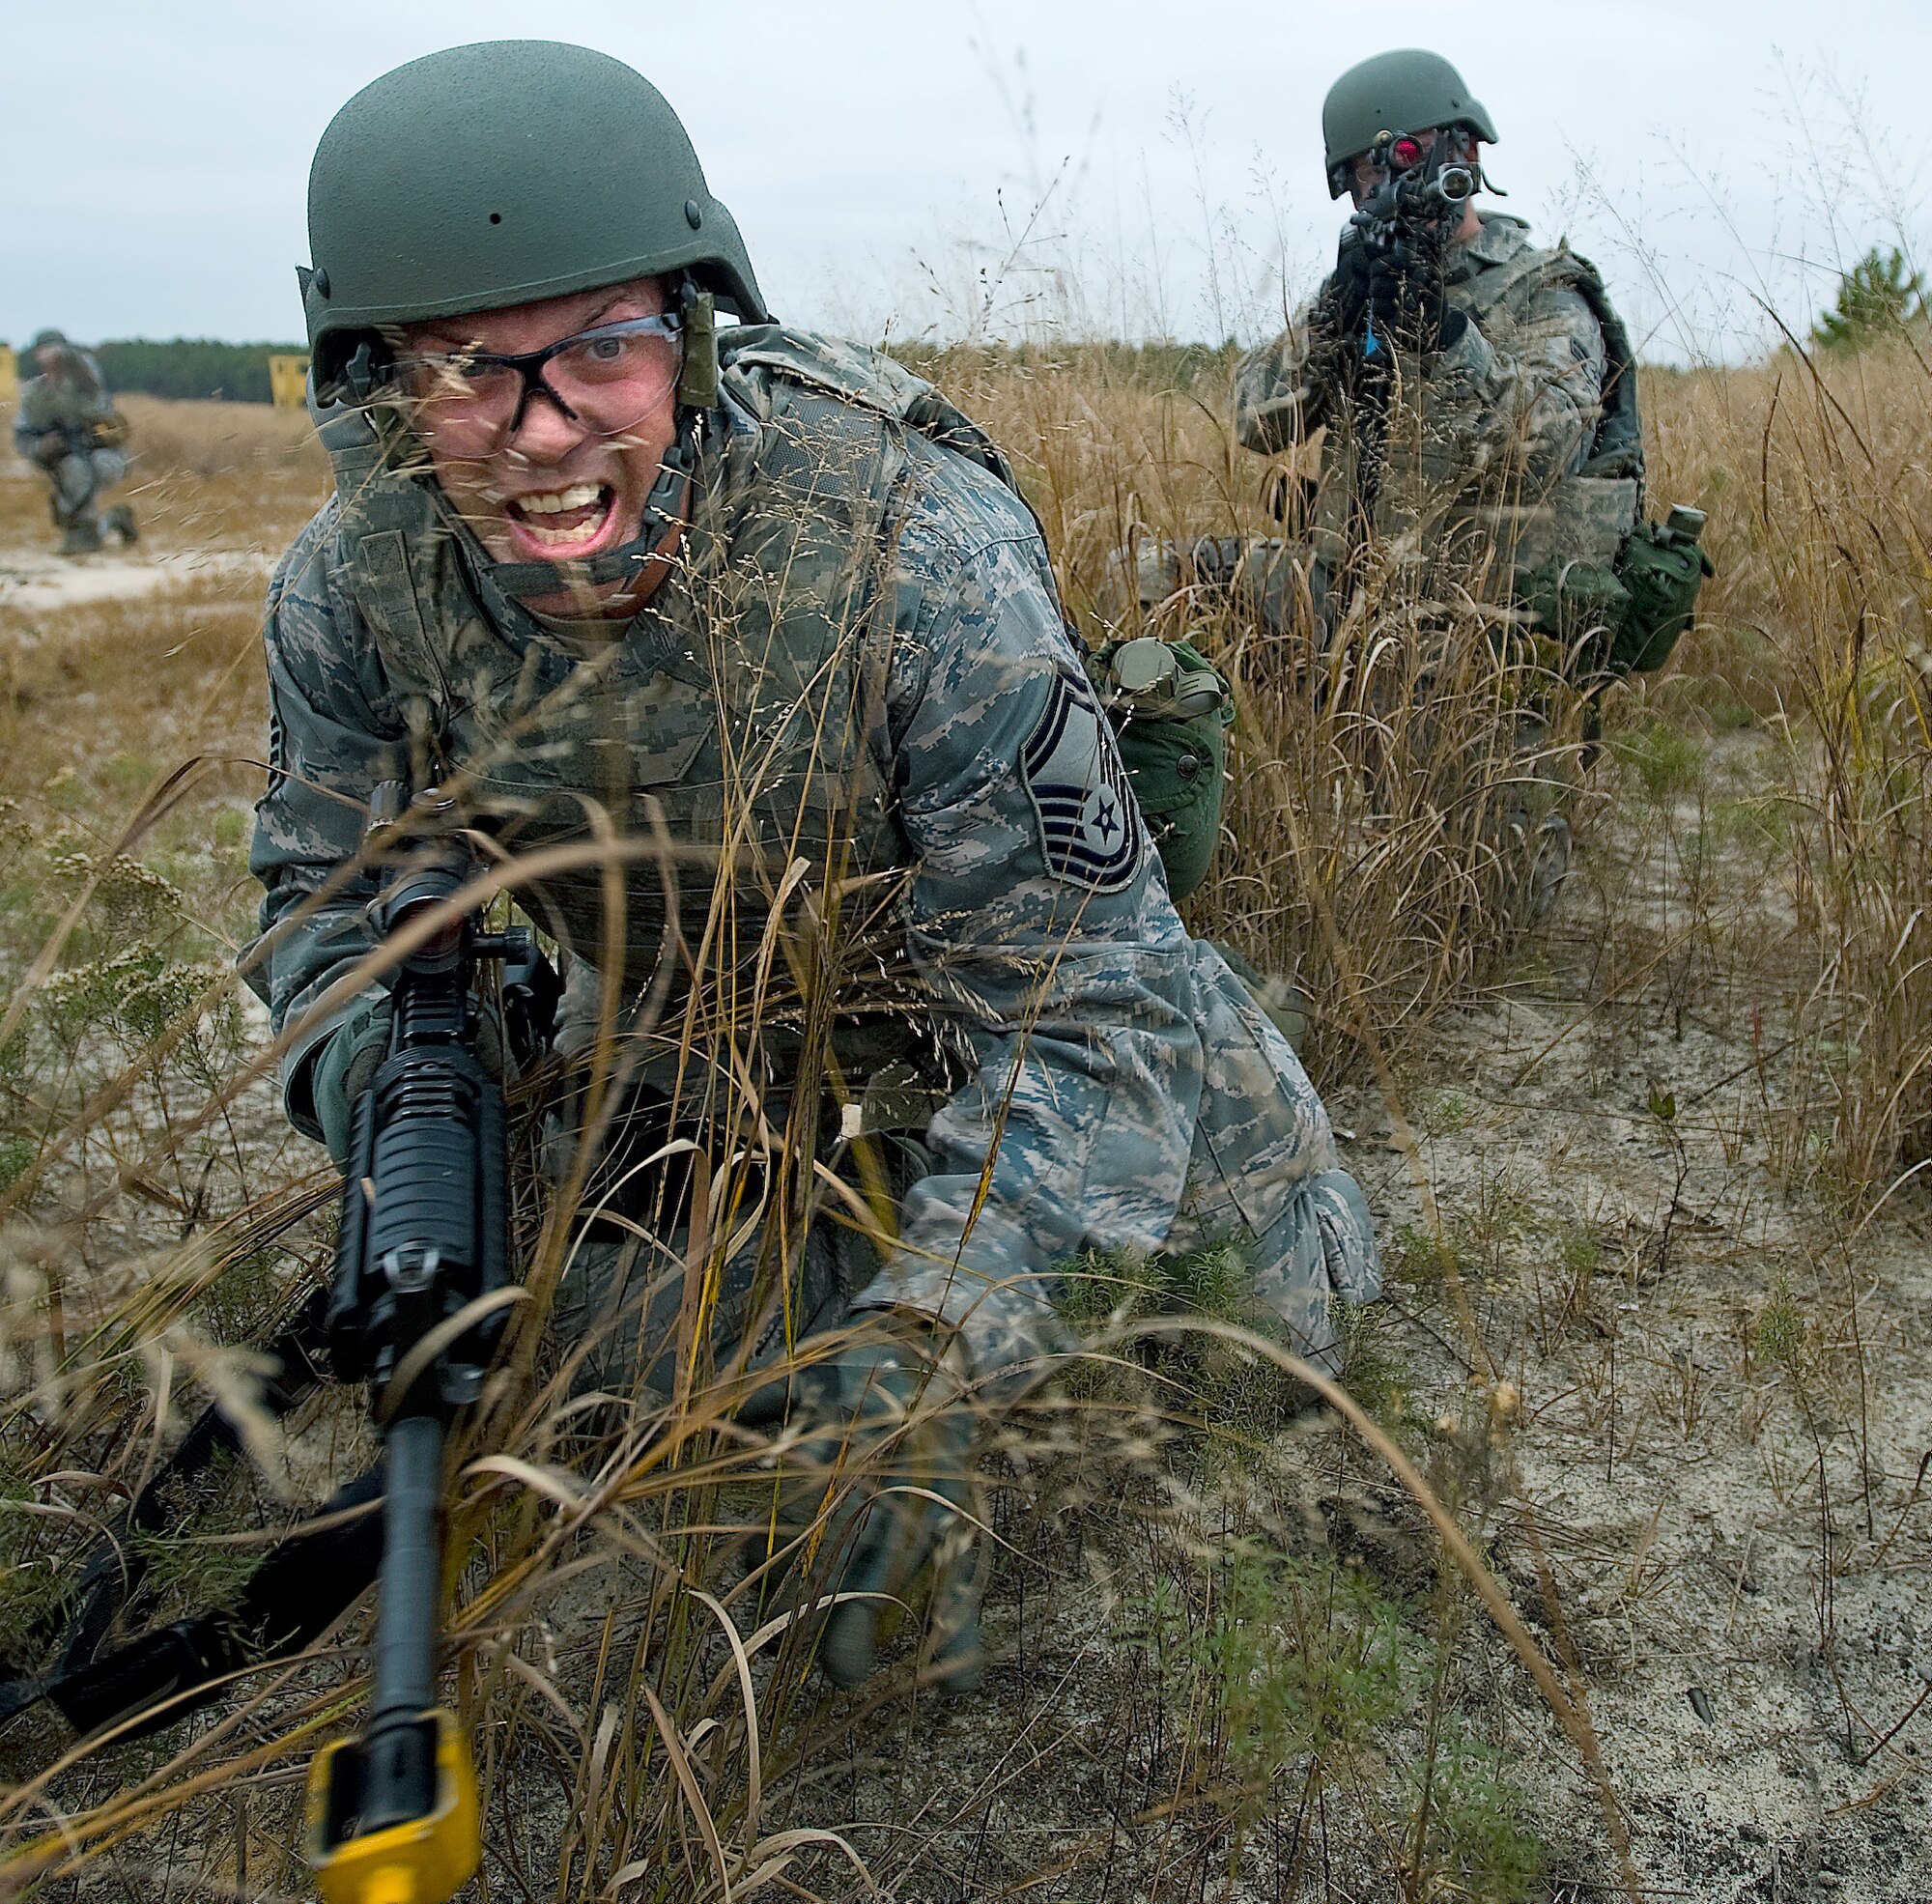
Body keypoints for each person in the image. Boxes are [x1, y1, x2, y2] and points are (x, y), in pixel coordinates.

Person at [242, 40, 1380, 1692]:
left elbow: (1085, 1001)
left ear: (692, 335)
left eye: (602, 354)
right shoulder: (351, 591)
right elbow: (318, 909)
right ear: (375, 388)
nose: (541, 434)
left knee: (1258, 1335)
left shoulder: (908, 541)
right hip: (682, 1032)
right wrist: (394, 1086)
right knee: (593, 1373)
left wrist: (936, 1356)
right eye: (463, 372)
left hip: (980, 1004)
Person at [1138, 50, 1697, 920]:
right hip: (1344, 593)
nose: (1381, 187)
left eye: (1399, 161)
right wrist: (1336, 308)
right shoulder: (1365, 281)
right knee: (1150, 583)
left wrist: (1442, 335)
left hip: (1474, 633)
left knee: (1479, 912)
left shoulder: (1547, 295)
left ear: (1463, 155)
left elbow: (1535, 448)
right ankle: (1166, 824)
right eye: (1361, 175)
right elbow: (1257, 421)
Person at [12, 329, 137, 554]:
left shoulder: (86, 383)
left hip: (103, 455)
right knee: (75, 473)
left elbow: (105, 413)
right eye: (46, 351)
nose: (52, 358)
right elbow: (22, 436)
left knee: (95, 470)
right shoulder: (35, 394)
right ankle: (100, 525)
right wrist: (43, 446)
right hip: (63, 459)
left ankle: (91, 528)